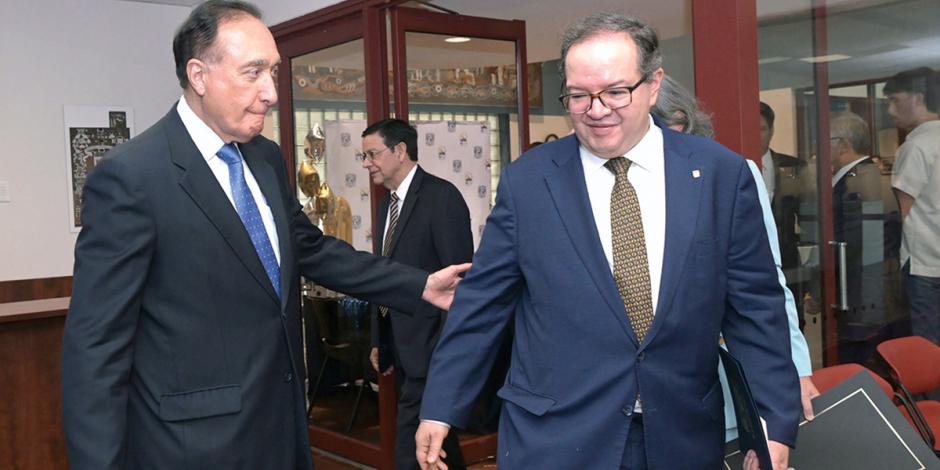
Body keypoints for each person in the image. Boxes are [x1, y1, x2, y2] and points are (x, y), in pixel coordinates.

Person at [61, 2, 468, 469]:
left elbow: (310, 249)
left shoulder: (265, 158)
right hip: (191, 449)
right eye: (252, 73)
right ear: (199, 75)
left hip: (282, 430)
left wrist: (418, 284)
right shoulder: (131, 177)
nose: (270, 92)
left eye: (272, 72)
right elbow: (95, 350)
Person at [416, 13, 799, 470]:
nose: (597, 110)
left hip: (680, 435)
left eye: (616, 91)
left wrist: (774, 423)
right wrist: (441, 404)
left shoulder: (719, 175)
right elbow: (483, 302)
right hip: (556, 435)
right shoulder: (530, 181)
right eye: (579, 96)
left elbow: (756, 311)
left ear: (653, 84)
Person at [652, 75, 820, 440]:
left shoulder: (732, 174)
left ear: (679, 123)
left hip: (717, 372)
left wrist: (797, 368)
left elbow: (768, 284)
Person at [362, 119, 473, 470]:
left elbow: (459, 279)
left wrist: (449, 351)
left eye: (372, 154)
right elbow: (386, 277)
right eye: (363, 156)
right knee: (438, 443)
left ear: (399, 151)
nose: (367, 164)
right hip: (401, 343)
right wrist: (381, 339)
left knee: (412, 446)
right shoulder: (385, 205)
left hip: (432, 347)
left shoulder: (442, 197)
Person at [830, 111, 903, 362]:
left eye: (827, 139)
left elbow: (855, 236)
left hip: (860, 284)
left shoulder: (861, 178)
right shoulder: (871, 173)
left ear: (842, 144)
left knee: (861, 356)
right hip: (868, 281)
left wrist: (823, 277)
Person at [884, 67, 940, 345]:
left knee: (928, 349)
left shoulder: (916, 146)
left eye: (895, 100)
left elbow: (902, 212)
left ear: (917, 98)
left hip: (926, 266)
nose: (891, 110)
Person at [759, 101, 808, 327]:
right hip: (750, 261)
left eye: (762, 129)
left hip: (786, 256)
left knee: (794, 321)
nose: (756, 135)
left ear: (772, 131)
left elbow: (809, 218)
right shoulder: (731, 166)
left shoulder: (793, 167)